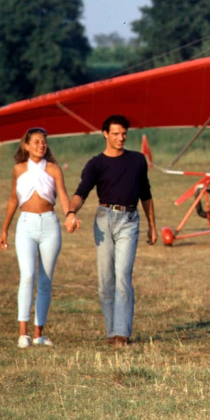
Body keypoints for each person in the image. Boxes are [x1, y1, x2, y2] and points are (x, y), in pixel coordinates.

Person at [71, 114, 156, 348]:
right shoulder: (95, 164)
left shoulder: (138, 160)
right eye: (116, 133)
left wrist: (152, 226)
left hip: (129, 219)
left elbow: (146, 194)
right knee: (105, 281)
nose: (121, 138)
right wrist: (71, 211)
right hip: (103, 220)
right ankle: (112, 330)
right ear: (105, 134)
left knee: (123, 277)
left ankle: (122, 333)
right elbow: (82, 192)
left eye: (124, 134)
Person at [0, 127, 79, 348]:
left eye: (43, 142)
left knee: (45, 281)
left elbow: (62, 194)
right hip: (26, 225)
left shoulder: (53, 169)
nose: (41, 145)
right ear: (26, 145)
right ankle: (22, 333)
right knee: (27, 275)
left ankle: (38, 334)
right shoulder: (18, 169)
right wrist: (5, 229)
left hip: (50, 225)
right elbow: (13, 199)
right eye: (36, 142)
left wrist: (69, 215)